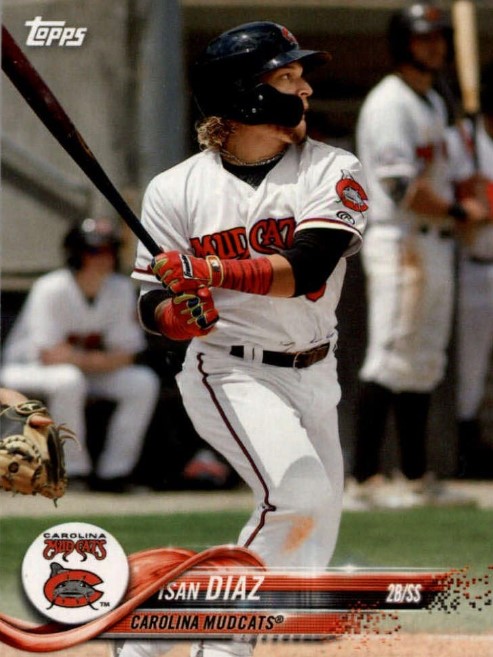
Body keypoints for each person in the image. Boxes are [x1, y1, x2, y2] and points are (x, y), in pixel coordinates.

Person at [121, 20, 368, 657]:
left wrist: (209, 272)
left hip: (316, 369)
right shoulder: (175, 188)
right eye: (286, 76)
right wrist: (179, 318)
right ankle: (221, 647)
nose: (304, 88)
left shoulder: (332, 168)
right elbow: (150, 304)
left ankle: (154, 627)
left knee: (307, 541)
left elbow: (308, 268)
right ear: (243, 93)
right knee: (298, 498)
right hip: (231, 369)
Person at [351, 3, 488, 489]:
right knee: (389, 355)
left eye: (439, 38)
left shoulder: (433, 101)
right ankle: (364, 476)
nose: (435, 46)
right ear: (402, 43)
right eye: (423, 38)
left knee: (426, 359)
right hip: (400, 241)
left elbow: (446, 175)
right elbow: (399, 187)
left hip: (435, 244)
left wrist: (468, 188)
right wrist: (460, 211)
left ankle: (415, 475)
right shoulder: (390, 103)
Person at [0, 217, 160, 492]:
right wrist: (99, 360)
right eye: (94, 251)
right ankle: (73, 470)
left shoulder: (119, 288)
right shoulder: (51, 287)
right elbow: (49, 355)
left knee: (142, 382)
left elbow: (127, 354)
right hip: (25, 368)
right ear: (76, 254)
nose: (103, 258)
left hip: (84, 370)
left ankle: (115, 472)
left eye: (109, 250)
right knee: (68, 379)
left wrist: (84, 359)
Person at [447, 63, 493, 478]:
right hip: (474, 266)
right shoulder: (463, 140)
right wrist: (472, 198)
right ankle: (466, 451)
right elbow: (458, 204)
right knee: (471, 366)